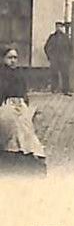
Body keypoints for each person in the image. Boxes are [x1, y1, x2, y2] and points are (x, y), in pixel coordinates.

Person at [0, 44, 46, 174]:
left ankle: (26, 153)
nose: (13, 61)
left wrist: (24, 104)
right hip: (5, 104)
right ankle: (11, 154)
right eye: (10, 58)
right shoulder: (1, 74)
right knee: (11, 125)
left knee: (26, 126)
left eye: (15, 58)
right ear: (3, 59)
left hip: (19, 104)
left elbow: (24, 92)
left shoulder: (19, 74)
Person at [43, 21, 72, 95]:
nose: (58, 28)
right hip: (55, 58)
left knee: (65, 74)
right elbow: (46, 47)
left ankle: (65, 90)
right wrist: (50, 56)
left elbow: (70, 48)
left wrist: (68, 57)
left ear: (62, 28)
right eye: (57, 27)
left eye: (60, 27)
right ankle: (54, 89)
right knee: (54, 73)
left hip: (63, 59)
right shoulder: (52, 37)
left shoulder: (65, 37)